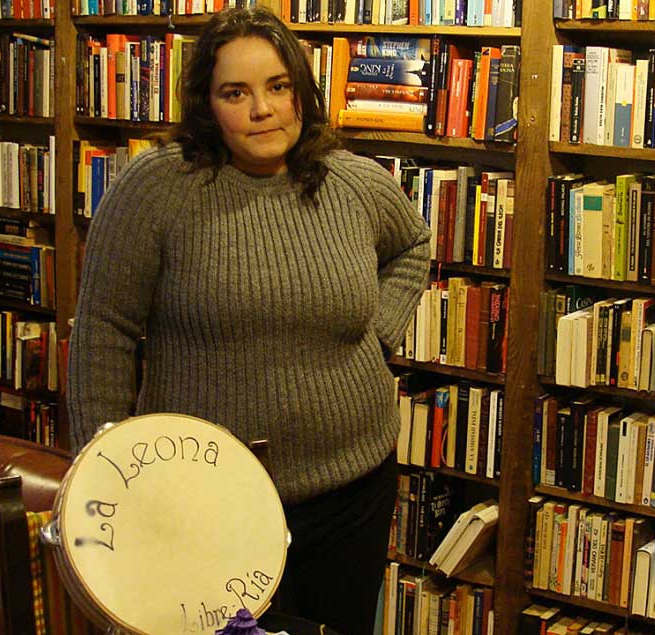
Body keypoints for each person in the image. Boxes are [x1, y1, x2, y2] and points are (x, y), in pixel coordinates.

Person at [66, 8, 431, 635]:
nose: (262, 109)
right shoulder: (155, 189)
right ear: (208, 104)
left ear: (301, 92)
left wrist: (377, 335)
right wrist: (110, 479)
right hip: (204, 503)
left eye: (278, 86)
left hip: (352, 488)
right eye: (236, 92)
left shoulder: (352, 180)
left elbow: (412, 245)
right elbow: (105, 330)